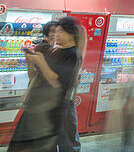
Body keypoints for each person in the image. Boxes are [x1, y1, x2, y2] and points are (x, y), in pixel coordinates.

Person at [9, 16, 84, 152]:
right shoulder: (54, 51)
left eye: (60, 31)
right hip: (37, 106)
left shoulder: (72, 54)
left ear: (71, 33)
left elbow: (56, 81)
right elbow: (35, 77)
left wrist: (41, 61)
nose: (56, 34)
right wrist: (30, 62)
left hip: (50, 110)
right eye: (55, 31)